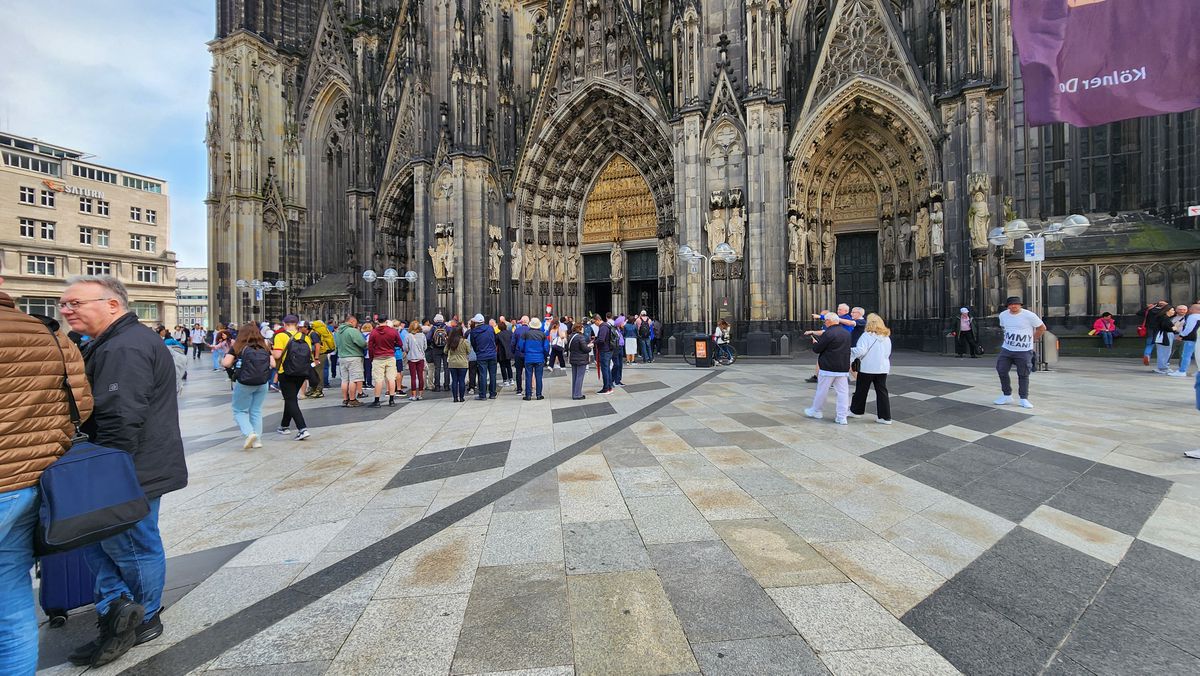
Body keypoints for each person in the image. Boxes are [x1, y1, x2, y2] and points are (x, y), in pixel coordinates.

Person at [59, 275, 187, 666]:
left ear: (112, 304)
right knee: (105, 545)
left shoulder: (125, 347)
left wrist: (108, 475)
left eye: (76, 303)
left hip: (130, 468)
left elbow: (120, 415)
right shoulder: (119, 341)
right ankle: (117, 613)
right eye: (64, 304)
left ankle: (143, 619)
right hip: (133, 464)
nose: (66, 310)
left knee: (132, 546)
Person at [0, 280, 94, 674]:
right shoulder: (49, 334)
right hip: (34, 484)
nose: (67, 309)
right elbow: (82, 406)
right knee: (12, 603)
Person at [221, 323, 274, 448]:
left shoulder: (238, 346)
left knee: (239, 410)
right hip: (262, 382)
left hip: (244, 382)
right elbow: (273, 364)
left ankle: (249, 433)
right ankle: (257, 441)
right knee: (256, 410)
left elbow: (226, 363)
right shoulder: (265, 345)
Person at [995, 296, 1044, 409]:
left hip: (1023, 350)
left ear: (1020, 305)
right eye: (1011, 304)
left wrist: (1032, 339)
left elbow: (1042, 328)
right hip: (1007, 349)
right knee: (1001, 370)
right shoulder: (1003, 315)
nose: (1014, 306)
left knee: (1023, 374)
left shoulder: (1029, 315)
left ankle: (1023, 398)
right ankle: (1006, 394)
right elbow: (1004, 327)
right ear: (1007, 306)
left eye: (1016, 304)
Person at [271, 315, 316, 438]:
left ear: (284, 324)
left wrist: (271, 351)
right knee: (291, 398)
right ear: (297, 324)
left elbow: (277, 355)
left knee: (290, 399)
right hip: (301, 372)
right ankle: (284, 425)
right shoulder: (304, 337)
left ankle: (302, 429)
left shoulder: (280, 336)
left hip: (285, 372)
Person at [804, 311, 853, 424]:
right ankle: (842, 417)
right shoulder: (846, 333)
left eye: (825, 321)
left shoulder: (829, 333)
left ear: (829, 321)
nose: (825, 323)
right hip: (842, 367)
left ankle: (816, 410)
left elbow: (818, 349)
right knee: (843, 393)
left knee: (822, 390)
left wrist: (815, 343)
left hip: (828, 367)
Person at [849, 313, 893, 424]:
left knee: (861, 390)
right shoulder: (886, 337)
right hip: (882, 368)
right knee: (882, 391)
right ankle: (885, 417)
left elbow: (860, 351)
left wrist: (850, 350)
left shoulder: (866, 335)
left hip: (867, 367)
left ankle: (856, 411)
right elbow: (888, 353)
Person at [367, 317, 401, 407]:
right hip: (390, 356)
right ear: (386, 321)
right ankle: (392, 400)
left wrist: (371, 357)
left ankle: (377, 401)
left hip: (378, 357)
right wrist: (392, 345)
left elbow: (370, 346)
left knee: (378, 380)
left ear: (378, 321)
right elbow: (400, 343)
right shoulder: (393, 331)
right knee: (391, 378)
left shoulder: (374, 332)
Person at [335, 314, 366, 407]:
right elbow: (361, 343)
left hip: (342, 357)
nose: (356, 325)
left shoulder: (338, 331)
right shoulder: (352, 331)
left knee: (344, 380)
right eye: (355, 323)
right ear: (352, 321)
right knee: (354, 379)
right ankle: (352, 399)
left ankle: (345, 399)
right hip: (354, 357)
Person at [469, 314, 498, 400]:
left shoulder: (473, 332)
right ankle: (492, 394)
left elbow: (473, 344)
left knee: (482, 375)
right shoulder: (490, 328)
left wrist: (478, 351)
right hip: (492, 354)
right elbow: (495, 339)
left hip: (481, 355)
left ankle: (483, 395)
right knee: (493, 375)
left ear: (476, 322)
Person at [519, 317, 549, 400]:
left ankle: (528, 395)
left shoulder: (525, 334)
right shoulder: (543, 335)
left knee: (528, 377)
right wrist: (544, 355)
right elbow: (546, 347)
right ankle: (539, 395)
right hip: (539, 358)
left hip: (528, 358)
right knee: (538, 377)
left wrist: (524, 351)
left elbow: (520, 346)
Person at [1137, 300, 1168, 366]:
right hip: (1160, 331)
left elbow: (1138, 313)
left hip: (1150, 330)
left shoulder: (1149, 311)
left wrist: (1147, 308)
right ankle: (1163, 361)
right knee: (1162, 346)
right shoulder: (1164, 311)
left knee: (1149, 344)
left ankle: (1147, 355)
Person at [404, 320, 428, 400]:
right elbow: (425, 347)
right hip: (420, 358)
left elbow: (405, 348)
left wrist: (410, 351)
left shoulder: (408, 336)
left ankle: (413, 395)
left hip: (412, 358)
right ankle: (420, 395)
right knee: (420, 376)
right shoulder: (422, 335)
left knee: (413, 377)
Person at [446, 325, 470, 402]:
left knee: (454, 380)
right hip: (463, 362)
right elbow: (469, 351)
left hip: (452, 363)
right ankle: (462, 397)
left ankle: (455, 398)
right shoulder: (465, 341)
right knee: (462, 380)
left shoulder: (450, 341)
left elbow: (445, 351)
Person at [1152, 305, 1179, 375]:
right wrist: (1174, 328)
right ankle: (1163, 368)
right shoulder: (1165, 318)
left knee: (1163, 351)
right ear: (1167, 310)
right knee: (1165, 352)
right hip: (1165, 336)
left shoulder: (1162, 317)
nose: (1174, 312)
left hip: (1163, 336)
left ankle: (1162, 367)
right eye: (1172, 310)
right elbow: (1166, 327)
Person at [311, 320, 336, 392]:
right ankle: (325, 383)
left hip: (319, 354)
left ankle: (319, 389)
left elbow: (317, 345)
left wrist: (316, 357)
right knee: (324, 369)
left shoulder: (314, 333)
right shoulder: (324, 330)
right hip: (324, 352)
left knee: (318, 371)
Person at [567, 321, 590, 400]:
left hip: (573, 358)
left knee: (575, 377)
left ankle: (574, 393)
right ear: (579, 328)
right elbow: (585, 349)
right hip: (581, 359)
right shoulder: (580, 337)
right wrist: (590, 347)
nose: (583, 329)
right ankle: (577, 395)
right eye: (582, 328)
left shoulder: (571, 336)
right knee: (580, 377)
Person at [427, 313, 449, 391]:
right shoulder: (447, 327)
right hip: (445, 349)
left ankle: (437, 386)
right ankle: (446, 386)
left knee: (437, 368)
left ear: (435, 320)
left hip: (436, 349)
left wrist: (433, 343)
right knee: (446, 368)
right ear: (443, 320)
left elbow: (428, 338)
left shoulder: (433, 328)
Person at [593, 314, 614, 394]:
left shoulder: (603, 327)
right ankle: (609, 387)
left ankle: (606, 388)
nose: (595, 324)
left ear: (598, 320)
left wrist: (593, 342)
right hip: (608, 350)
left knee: (605, 370)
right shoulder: (606, 326)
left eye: (595, 322)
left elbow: (601, 339)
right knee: (607, 369)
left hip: (605, 351)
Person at [1178, 304, 1200, 376]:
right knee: (1198, 355)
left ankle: (1182, 371)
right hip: (1198, 338)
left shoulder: (1192, 316)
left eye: (1191, 308)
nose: (1189, 310)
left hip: (1191, 338)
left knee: (1186, 355)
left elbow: (1189, 328)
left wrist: (1181, 335)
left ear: (1194, 310)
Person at [511, 316, 529, 394]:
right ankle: (528, 389)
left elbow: (513, 343)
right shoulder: (530, 330)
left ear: (521, 322)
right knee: (529, 372)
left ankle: (519, 389)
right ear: (528, 322)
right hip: (528, 353)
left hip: (518, 353)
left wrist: (513, 352)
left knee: (518, 372)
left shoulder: (517, 330)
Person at [496, 319, 514, 386]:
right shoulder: (510, 333)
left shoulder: (498, 334)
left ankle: (505, 380)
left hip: (501, 352)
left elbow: (495, 343)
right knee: (509, 366)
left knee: (503, 366)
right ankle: (511, 379)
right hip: (509, 352)